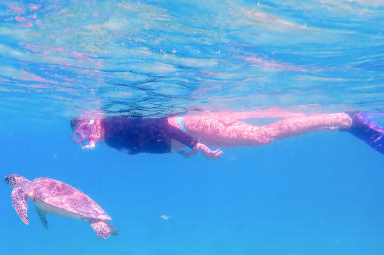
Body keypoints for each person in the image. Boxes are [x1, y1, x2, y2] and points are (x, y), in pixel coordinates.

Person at [70, 110, 384, 158]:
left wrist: (198, 147)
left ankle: (346, 119)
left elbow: (159, 127)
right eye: (80, 131)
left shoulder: (113, 125)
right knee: (262, 135)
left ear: (94, 117)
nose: (86, 132)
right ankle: (346, 124)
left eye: (85, 124)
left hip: (185, 126)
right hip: (183, 132)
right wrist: (182, 150)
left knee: (262, 136)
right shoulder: (110, 138)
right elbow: (152, 141)